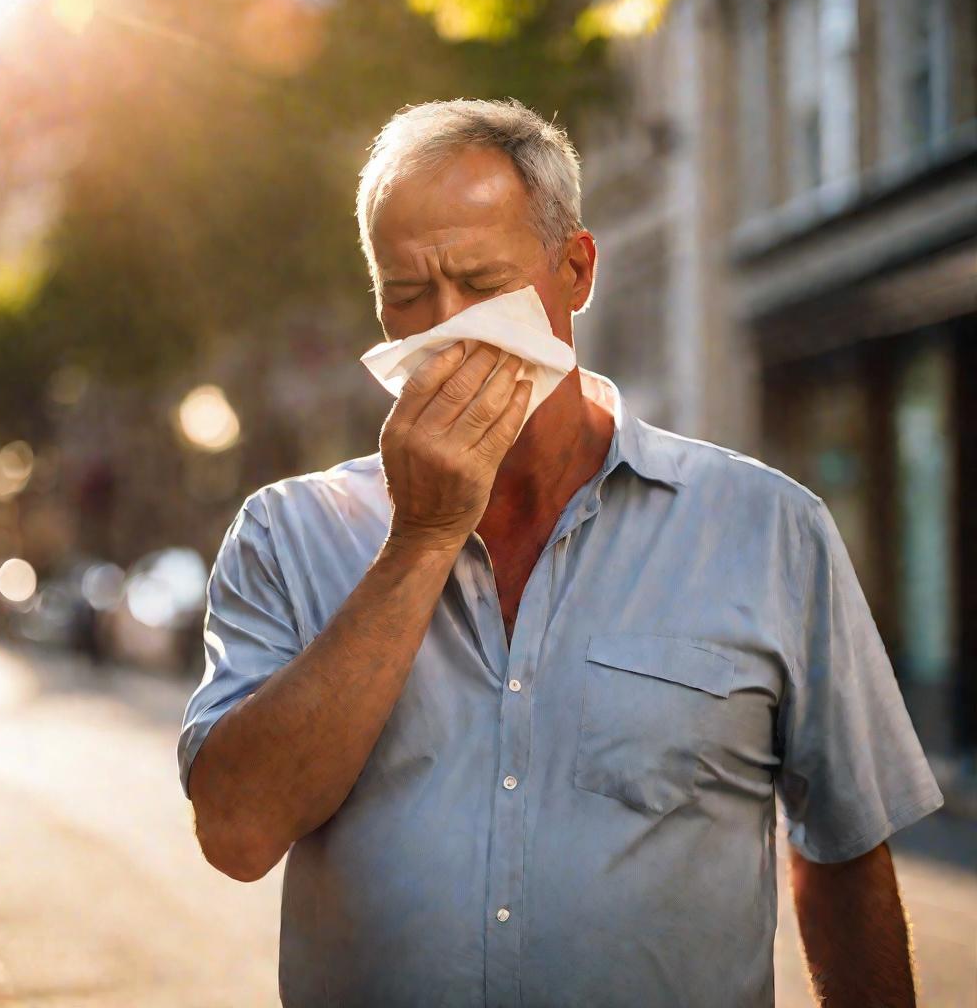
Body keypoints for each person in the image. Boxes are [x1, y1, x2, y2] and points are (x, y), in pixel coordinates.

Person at [177, 98, 944, 1007]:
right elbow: (236, 831)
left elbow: (846, 855)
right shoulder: (286, 533)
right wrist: (421, 538)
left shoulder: (768, 528)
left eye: (480, 280)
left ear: (575, 270)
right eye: (408, 296)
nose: (449, 325)